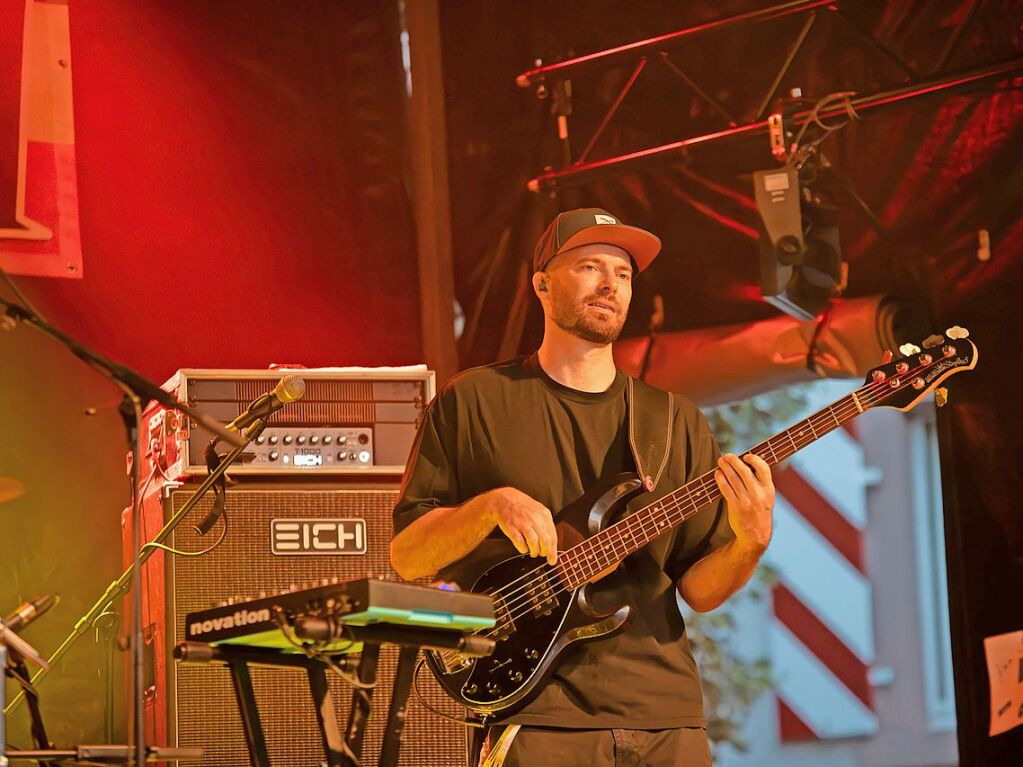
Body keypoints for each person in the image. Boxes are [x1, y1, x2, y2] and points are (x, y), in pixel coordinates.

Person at [390, 208, 775, 766]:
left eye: (622, 275)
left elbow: (700, 592)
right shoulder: (473, 401)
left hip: (666, 717)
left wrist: (750, 544)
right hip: (535, 712)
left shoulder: (672, 421)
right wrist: (490, 506)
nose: (609, 285)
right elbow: (408, 556)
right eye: (590, 266)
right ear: (541, 284)